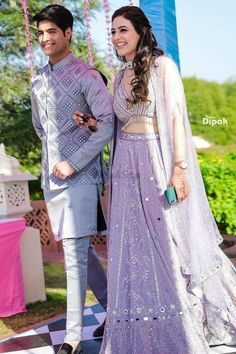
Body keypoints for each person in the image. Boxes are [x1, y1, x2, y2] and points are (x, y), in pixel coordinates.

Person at [75, 5, 236, 354]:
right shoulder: (118, 77)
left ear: (140, 32)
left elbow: (176, 118)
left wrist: (179, 167)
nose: (117, 38)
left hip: (154, 159)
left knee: (168, 238)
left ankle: (187, 317)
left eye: (123, 30)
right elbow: (116, 125)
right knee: (132, 246)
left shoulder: (163, 68)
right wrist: (92, 125)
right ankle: (142, 321)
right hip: (124, 166)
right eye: (113, 32)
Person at [31, 5, 113, 354]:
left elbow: (107, 125)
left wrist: (73, 162)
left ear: (67, 33)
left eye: (52, 31)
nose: (45, 39)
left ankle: (72, 337)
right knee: (77, 250)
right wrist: (53, 163)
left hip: (80, 176)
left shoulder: (87, 76)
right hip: (51, 180)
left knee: (74, 256)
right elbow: (41, 129)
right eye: (40, 33)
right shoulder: (36, 82)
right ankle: (115, 305)